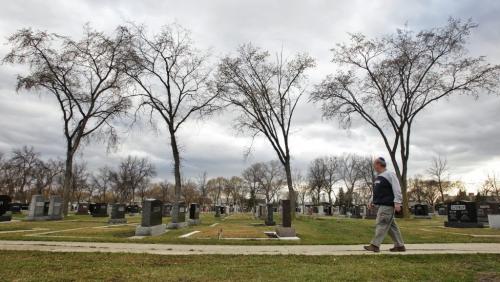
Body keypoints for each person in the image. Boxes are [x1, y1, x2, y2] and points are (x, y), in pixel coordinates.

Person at [364, 157, 406, 252]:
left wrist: (398, 202)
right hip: (382, 205)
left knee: (381, 223)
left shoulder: (390, 175)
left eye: (374, 164)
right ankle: (400, 246)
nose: (374, 166)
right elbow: (376, 192)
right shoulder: (379, 177)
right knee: (392, 227)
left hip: (387, 205)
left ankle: (375, 245)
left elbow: (397, 189)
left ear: (379, 164)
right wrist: (371, 201)